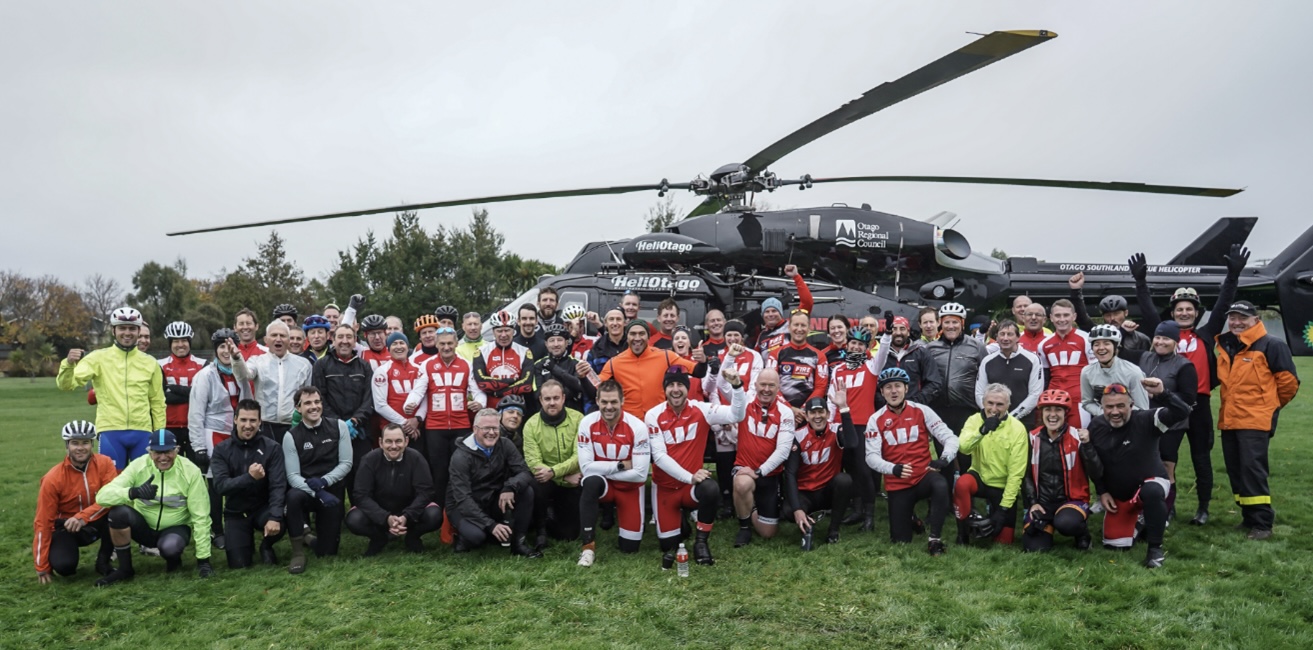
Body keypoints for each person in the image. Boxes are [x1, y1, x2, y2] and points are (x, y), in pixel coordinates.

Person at [1130, 245, 1246, 525]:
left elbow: (1222, 305)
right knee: (1165, 458)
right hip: (1168, 404)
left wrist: (1233, 276)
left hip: (1199, 406)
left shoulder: (1206, 334)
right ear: (1173, 312)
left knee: (1201, 459)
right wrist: (1140, 282)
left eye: (1189, 309)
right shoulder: (1164, 334)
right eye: (1179, 309)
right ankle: (1168, 506)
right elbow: (1146, 309)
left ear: (1196, 312)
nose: (1183, 313)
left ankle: (1203, 508)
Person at [1214, 300, 1300, 540]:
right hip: (1230, 420)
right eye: (1233, 318)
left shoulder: (1272, 345)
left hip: (1255, 422)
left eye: (1243, 318)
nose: (1237, 322)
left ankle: (1263, 524)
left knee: (1253, 471)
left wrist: (1267, 407)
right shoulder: (1227, 345)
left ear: (1256, 320)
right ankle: (1248, 517)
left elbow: (1289, 383)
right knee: (1236, 471)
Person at [646, 365, 747, 568]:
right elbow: (659, 456)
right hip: (665, 488)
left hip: (690, 488)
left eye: (680, 385)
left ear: (687, 388)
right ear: (664, 389)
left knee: (710, 488)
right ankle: (680, 520)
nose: (676, 389)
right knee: (669, 546)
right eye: (671, 385)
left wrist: (737, 387)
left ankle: (701, 541)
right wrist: (689, 476)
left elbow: (737, 415)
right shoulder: (653, 415)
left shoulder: (701, 408)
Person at [1087, 380, 1190, 568]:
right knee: (1115, 545)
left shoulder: (1147, 419)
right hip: (1119, 496)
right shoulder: (1096, 426)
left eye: (1121, 406)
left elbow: (1183, 412)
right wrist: (1102, 491)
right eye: (1109, 407)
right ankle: (1141, 521)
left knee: (1151, 491)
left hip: (1150, 483)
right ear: (1101, 407)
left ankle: (1155, 548)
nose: (1115, 412)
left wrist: (1162, 393)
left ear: (1131, 405)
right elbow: (1094, 465)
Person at [94, 430, 214, 585]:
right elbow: (102, 497)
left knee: (170, 547)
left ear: (177, 450)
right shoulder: (138, 465)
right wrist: (133, 492)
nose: (163, 458)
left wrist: (203, 560)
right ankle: (125, 570)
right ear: (149, 452)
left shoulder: (190, 471)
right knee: (118, 514)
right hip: (143, 527)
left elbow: (201, 515)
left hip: (175, 528)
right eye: (157, 452)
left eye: (168, 452)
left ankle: (173, 560)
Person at [57, 306, 166, 470]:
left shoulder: (150, 362)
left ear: (138, 331)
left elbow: (157, 401)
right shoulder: (98, 358)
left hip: (142, 431)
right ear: (114, 331)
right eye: (122, 328)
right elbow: (67, 384)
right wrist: (68, 364)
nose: (127, 333)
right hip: (110, 430)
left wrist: (159, 433)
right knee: (111, 484)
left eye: (132, 328)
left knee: (145, 485)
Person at [865, 367, 957, 556]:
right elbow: (871, 457)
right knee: (900, 541)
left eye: (898, 386)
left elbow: (950, 437)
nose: (893, 391)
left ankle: (935, 539)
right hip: (898, 483)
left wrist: (944, 459)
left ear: (906, 389)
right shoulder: (875, 419)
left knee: (940, 484)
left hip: (923, 476)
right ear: (882, 392)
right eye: (888, 387)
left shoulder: (922, 411)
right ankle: (913, 520)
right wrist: (893, 469)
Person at [406, 327, 486, 509]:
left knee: (462, 470)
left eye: (450, 343)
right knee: (439, 471)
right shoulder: (427, 365)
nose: (446, 347)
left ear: (457, 344)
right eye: (442, 344)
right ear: (436, 344)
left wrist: (480, 403)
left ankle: (464, 506)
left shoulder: (466, 364)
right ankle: (441, 510)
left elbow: (478, 391)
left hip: (461, 425)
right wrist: (410, 404)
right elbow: (418, 389)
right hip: (435, 427)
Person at [446, 409, 541, 557]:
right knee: (477, 537)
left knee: (526, 490)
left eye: (495, 428)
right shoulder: (460, 457)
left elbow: (525, 472)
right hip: (463, 506)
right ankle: (463, 538)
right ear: (475, 429)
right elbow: (463, 499)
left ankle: (519, 543)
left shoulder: (505, 444)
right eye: (486, 428)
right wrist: (491, 525)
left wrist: (510, 486)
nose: (491, 432)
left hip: (492, 499)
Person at [827, 318, 893, 531]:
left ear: (866, 348)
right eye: (852, 343)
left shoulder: (872, 366)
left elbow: (883, 351)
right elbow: (831, 398)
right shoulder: (838, 370)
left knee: (865, 470)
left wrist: (888, 333)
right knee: (850, 468)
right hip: (842, 424)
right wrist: (831, 423)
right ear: (847, 344)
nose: (855, 346)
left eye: (860, 344)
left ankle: (869, 515)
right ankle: (855, 510)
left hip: (864, 424)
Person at [576, 380, 651, 566]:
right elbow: (585, 468)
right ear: (597, 401)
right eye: (604, 402)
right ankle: (587, 548)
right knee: (591, 481)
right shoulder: (587, 422)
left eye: (614, 402)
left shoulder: (638, 427)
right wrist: (619, 465)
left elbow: (641, 474)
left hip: (630, 488)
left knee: (630, 548)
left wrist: (600, 467)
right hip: (605, 485)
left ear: (622, 401)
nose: (609, 407)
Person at [33, 421, 118, 584]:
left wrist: (83, 517)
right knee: (65, 567)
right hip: (66, 528)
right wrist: (42, 566)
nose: (80, 448)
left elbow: (112, 497)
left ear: (91, 444)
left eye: (85, 442)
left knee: (120, 513)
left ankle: (103, 561)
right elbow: (42, 521)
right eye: (75, 443)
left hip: (97, 521)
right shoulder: (52, 478)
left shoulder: (105, 463)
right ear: (67, 446)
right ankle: (63, 558)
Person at [188, 330, 250, 550]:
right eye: (221, 347)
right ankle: (217, 530)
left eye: (229, 346)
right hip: (213, 433)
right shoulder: (204, 375)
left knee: (240, 481)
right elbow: (195, 413)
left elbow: (248, 400)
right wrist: (199, 447)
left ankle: (239, 524)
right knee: (216, 484)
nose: (225, 351)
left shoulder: (241, 371)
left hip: (237, 433)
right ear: (215, 350)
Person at [281, 386, 353, 574]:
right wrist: (316, 490)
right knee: (293, 497)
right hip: (306, 491)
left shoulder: (339, 426)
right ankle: (297, 552)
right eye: (307, 403)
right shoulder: (291, 436)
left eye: (317, 402)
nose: (313, 407)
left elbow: (346, 463)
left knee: (326, 552)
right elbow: (293, 476)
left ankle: (309, 538)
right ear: (298, 408)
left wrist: (325, 482)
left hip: (331, 493)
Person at [1022, 389, 1102, 552]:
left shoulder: (1078, 437)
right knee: (1034, 548)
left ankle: (1082, 533)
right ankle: (1047, 526)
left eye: (1058, 409)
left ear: (1066, 413)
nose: (1053, 414)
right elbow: (1026, 475)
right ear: (1041, 412)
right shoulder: (1031, 438)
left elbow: (1097, 472)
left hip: (1072, 501)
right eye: (1048, 409)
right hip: (1042, 503)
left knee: (1066, 524)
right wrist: (1033, 503)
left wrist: (1087, 446)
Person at [210, 400, 287, 568]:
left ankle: (266, 545)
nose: (248, 425)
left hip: (262, 509)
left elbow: (278, 486)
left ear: (260, 422)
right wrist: (250, 477)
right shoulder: (221, 450)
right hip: (235, 511)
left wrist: (274, 516)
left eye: (253, 420)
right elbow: (221, 486)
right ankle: (245, 542)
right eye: (243, 420)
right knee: (238, 565)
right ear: (235, 420)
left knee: (279, 522)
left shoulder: (272, 448)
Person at [346, 424, 443, 555]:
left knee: (434, 515)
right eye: (388, 441)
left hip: (409, 513)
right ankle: (379, 538)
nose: (393, 446)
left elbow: (426, 492)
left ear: (406, 441)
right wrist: (385, 517)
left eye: (398, 441)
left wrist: (407, 516)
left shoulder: (417, 458)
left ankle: (412, 537)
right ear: (380, 442)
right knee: (354, 519)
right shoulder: (369, 460)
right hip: (379, 513)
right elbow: (361, 495)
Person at [1134, 321, 1197, 521]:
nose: (1161, 342)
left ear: (1176, 342)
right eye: (1158, 337)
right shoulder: (1144, 357)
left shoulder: (1185, 365)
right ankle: (1144, 507)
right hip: (1146, 421)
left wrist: (1161, 395)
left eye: (1166, 338)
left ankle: (1167, 510)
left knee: (1166, 466)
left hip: (1172, 424)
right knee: (1144, 465)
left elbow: (1188, 400)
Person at [953, 384, 1030, 546]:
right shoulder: (973, 420)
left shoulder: (1018, 429)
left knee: (1003, 542)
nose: (994, 408)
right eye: (990, 403)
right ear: (983, 402)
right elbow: (963, 448)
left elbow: (1016, 474)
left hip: (1002, 486)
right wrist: (982, 431)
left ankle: (994, 517)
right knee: (961, 483)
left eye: (1000, 404)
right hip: (979, 478)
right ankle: (963, 534)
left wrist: (1002, 511)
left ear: (1009, 406)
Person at [785, 392, 859, 550]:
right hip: (805, 492)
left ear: (828, 413)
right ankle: (807, 522)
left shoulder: (836, 429)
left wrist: (844, 408)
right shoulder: (797, 435)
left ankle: (833, 530)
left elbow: (852, 443)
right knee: (788, 511)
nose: (817, 416)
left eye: (821, 412)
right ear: (806, 415)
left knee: (844, 480)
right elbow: (790, 473)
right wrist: (797, 509)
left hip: (827, 491)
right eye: (813, 413)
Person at [729, 369, 794, 547]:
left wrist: (758, 471)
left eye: (771, 385)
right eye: (763, 384)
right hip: (744, 467)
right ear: (755, 385)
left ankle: (751, 505)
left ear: (778, 387)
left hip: (769, 474)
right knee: (742, 484)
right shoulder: (745, 402)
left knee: (768, 533)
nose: (766, 389)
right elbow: (725, 389)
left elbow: (783, 450)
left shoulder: (785, 412)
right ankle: (744, 527)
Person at [313, 324, 377, 501]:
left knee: (361, 475)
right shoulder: (321, 365)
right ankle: (334, 513)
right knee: (335, 476)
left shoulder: (364, 367)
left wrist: (355, 421)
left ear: (355, 341)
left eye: (349, 337)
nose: (345, 341)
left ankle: (361, 512)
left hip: (359, 432)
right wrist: (340, 425)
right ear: (332, 339)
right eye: (340, 337)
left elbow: (369, 399)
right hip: (331, 431)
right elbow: (319, 398)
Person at [925, 302, 986, 475]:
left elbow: (985, 376)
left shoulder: (976, 346)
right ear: (940, 324)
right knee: (943, 455)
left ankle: (967, 498)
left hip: (966, 409)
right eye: (947, 322)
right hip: (939, 409)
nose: (951, 326)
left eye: (955, 322)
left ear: (962, 324)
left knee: (966, 455)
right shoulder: (931, 348)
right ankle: (945, 498)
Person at [522, 380, 584, 548]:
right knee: (535, 482)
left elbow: (579, 455)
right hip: (549, 479)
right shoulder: (530, 425)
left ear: (563, 398)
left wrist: (554, 472)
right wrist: (560, 475)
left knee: (569, 535)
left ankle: (549, 516)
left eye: (556, 398)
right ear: (540, 400)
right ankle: (540, 530)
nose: (552, 403)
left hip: (571, 481)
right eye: (547, 398)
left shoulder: (578, 419)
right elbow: (533, 461)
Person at [597, 319, 700, 419]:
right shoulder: (614, 362)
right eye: (633, 334)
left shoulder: (665, 356)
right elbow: (596, 386)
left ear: (648, 337)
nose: (637, 338)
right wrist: (583, 377)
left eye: (641, 333)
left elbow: (697, 371)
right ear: (627, 337)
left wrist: (703, 361)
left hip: (659, 421)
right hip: (630, 423)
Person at [231, 321, 313, 442]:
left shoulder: (303, 364)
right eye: (274, 335)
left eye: (283, 336)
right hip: (265, 425)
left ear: (289, 339)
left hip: (294, 426)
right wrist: (237, 359)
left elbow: (308, 396)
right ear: (266, 339)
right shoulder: (257, 361)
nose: (278, 339)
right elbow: (244, 375)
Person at [1039, 299, 1093, 429]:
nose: (1062, 319)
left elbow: (1095, 371)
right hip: (1054, 400)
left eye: (1066, 315)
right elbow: (1045, 376)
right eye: (1057, 315)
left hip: (1080, 399)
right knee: (1054, 436)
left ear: (1074, 317)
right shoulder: (1043, 344)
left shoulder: (1086, 339)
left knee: (1079, 436)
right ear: (1051, 318)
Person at [975, 320, 1043, 420]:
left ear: (1018, 337)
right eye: (1002, 334)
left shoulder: (1033, 359)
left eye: (1010, 334)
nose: (1005, 338)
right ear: (997, 338)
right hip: (992, 419)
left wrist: (1011, 418)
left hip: (1023, 420)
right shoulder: (987, 361)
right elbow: (979, 393)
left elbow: (1035, 394)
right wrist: (990, 413)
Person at [1066, 272, 1151, 353]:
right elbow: (1082, 319)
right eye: (1107, 315)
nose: (1112, 318)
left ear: (1126, 313)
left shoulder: (1141, 339)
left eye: (1116, 314)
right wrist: (1076, 290)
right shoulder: (1098, 333)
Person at [770, 310, 829, 421]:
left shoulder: (819, 356)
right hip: (780, 412)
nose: (799, 329)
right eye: (796, 325)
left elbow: (821, 387)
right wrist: (789, 408)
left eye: (803, 325)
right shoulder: (775, 354)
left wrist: (804, 410)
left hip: (807, 415)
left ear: (809, 328)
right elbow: (771, 385)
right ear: (789, 327)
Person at [372, 331, 426, 452]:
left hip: (417, 430)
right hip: (392, 431)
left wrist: (417, 419)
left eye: (402, 343)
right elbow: (380, 405)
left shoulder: (420, 369)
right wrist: (406, 424)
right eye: (394, 344)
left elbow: (426, 398)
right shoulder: (382, 371)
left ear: (407, 346)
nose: (399, 346)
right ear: (388, 348)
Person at [1080, 325, 1149, 418]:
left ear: (1116, 347)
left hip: (1130, 423)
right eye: (1096, 344)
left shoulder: (1133, 372)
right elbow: (1087, 402)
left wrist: (1118, 415)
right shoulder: (1087, 372)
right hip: (1103, 423)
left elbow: (1143, 408)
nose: (1101, 348)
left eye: (1106, 343)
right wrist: (1105, 414)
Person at [159, 321, 205, 459]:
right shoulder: (159, 365)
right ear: (170, 343)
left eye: (184, 340)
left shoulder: (202, 365)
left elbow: (203, 395)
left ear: (190, 341)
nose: (180, 345)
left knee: (196, 471)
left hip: (195, 427)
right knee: (170, 470)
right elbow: (161, 396)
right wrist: (191, 392)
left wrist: (173, 389)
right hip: (169, 427)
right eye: (175, 341)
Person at [474, 310, 536, 409]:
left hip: (516, 408)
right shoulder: (481, 352)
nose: (503, 335)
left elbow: (526, 384)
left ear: (513, 331)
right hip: (490, 408)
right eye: (499, 331)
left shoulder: (525, 352)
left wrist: (497, 393)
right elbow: (481, 382)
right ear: (493, 332)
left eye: (507, 330)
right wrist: (513, 380)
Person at [879, 315, 942, 409]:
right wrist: (886, 402)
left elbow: (934, 383)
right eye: (894, 329)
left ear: (908, 332)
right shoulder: (881, 355)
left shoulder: (921, 352)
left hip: (916, 409)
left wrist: (916, 402)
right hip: (888, 410)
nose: (898, 332)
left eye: (902, 328)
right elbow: (874, 385)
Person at [531, 322, 593, 413]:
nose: (556, 344)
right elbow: (538, 394)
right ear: (546, 344)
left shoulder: (577, 364)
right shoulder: (539, 364)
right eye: (552, 340)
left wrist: (554, 369)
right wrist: (571, 392)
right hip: (547, 415)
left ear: (567, 342)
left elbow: (581, 388)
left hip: (573, 414)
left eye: (559, 340)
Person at [753, 265, 814, 357]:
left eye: (774, 311)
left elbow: (807, 302)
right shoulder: (762, 335)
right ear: (762, 315)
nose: (770, 314)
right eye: (767, 311)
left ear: (780, 313)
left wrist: (796, 276)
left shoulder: (790, 325)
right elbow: (754, 358)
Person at [586, 309, 628, 374]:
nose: (615, 323)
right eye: (611, 319)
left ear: (625, 323)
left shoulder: (632, 345)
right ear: (605, 323)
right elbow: (590, 376)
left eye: (618, 319)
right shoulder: (597, 348)